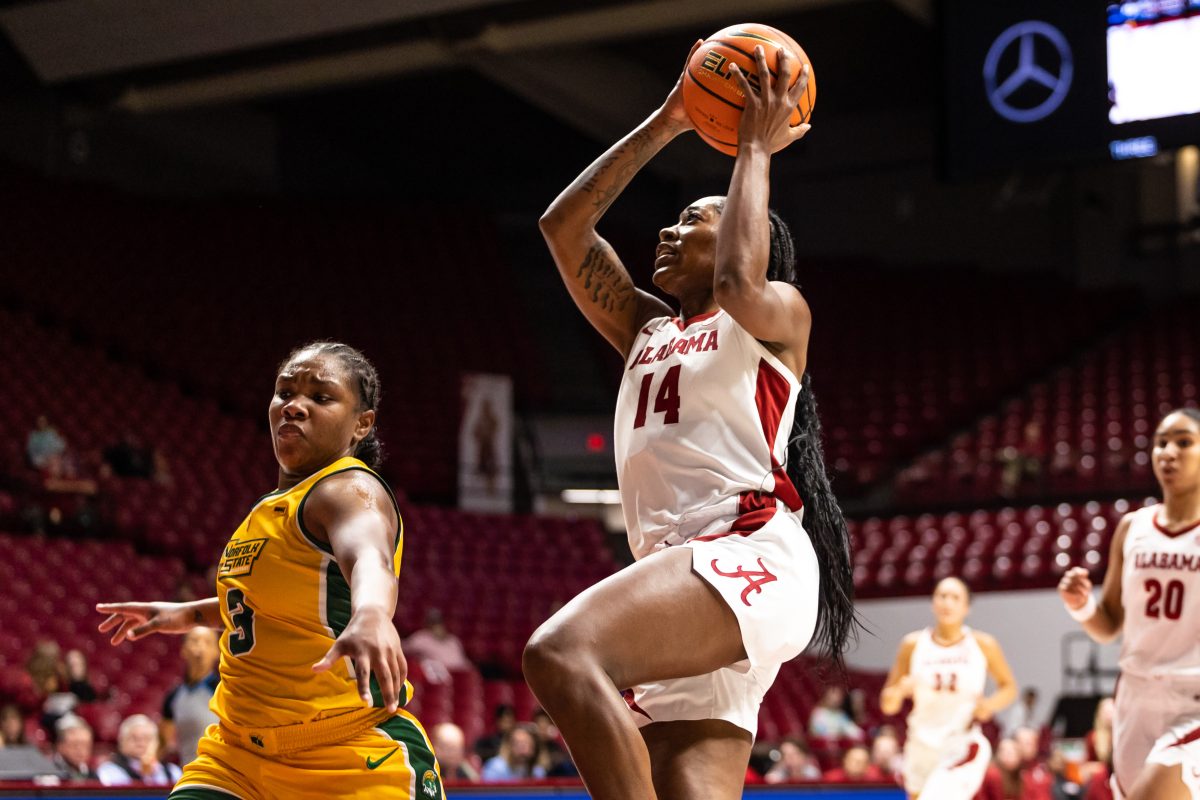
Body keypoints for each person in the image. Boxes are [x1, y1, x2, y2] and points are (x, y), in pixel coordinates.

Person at [525, 40, 856, 800]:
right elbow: (562, 227)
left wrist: (752, 147)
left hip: (747, 552)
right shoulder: (645, 327)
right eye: (674, 220)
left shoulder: (774, 319)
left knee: (560, 654)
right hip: (677, 582)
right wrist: (670, 119)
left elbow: (742, 279)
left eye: (694, 219)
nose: (670, 232)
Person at [96, 342, 443, 799]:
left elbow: (369, 557)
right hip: (237, 756)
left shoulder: (349, 487)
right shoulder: (270, 510)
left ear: (362, 423)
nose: (295, 406)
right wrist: (188, 614)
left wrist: (373, 612)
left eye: (320, 397)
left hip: (347, 756)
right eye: (285, 393)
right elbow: (268, 607)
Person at [1059, 407, 1200, 800]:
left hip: (1193, 699)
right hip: (1136, 695)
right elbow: (1110, 624)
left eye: (1184, 442)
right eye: (1161, 443)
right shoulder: (1132, 528)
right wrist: (1081, 605)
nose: (1168, 452)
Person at [880, 576, 1019, 800]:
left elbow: (1009, 688)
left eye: (955, 597)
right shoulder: (912, 644)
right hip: (920, 744)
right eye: (942, 596)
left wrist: (989, 705)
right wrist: (898, 691)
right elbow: (888, 705)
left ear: (966, 607)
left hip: (961, 743)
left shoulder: (983, 644)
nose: (947, 602)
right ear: (933, 602)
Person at [160, 628, 220, 766]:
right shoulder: (174, 696)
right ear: (183, 650)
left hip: (220, 776)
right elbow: (163, 742)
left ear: (217, 651)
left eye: (208, 642)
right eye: (194, 641)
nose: (200, 647)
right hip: (188, 775)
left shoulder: (224, 691)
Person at [96, 713, 182, 787]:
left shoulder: (173, 772)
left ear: (157, 743)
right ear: (121, 742)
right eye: (134, 738)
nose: (141, 743)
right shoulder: (109, 771)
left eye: (147, 739)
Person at [402, 608, 473, 682]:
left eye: (438, 622)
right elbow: (403, 647)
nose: (437, 626)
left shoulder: (453, 641)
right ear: (428, 624)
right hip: (437, 677)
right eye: (433, 623)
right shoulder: (422, 637)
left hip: (459, 675)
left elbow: (464, 661)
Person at [480, 725, 546, 781]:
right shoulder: (495, 767)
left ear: (534, 748)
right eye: (517, 743)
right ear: (509, 746)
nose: (521, 748)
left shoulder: (538, 772)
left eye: (526, 743)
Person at [52, 714, 96, 781]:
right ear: (60, 746)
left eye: (85, 746)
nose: (80, 751)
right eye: (75, 745)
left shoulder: (93, 777)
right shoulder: (50, 774)